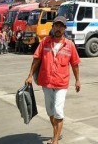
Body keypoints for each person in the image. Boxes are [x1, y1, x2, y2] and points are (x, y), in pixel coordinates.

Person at [25, 16, 81, 144]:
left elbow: (75, 64)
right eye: (56, 25)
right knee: (50, 111)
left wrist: (77, 80)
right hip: (46, 82)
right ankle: (56, 131)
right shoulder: (44, 42)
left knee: (58, 111)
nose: (58, 28)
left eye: (61, 26)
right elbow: (37, 59)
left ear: (64, 29)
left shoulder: (70, 45)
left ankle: (55, 140)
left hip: (61, 83)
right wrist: (30, 76)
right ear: (53, 27)